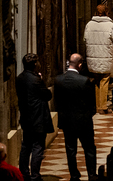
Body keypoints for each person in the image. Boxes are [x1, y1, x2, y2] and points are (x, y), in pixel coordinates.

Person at [54, 54, 98, 179]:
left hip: (67, 121)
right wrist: (88, 114)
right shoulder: (84, 81)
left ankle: (74, 175)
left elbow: (57, 102)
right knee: (89, 149)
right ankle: (91, 174)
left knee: (70, 149)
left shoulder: (58, 80)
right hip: (83, 121)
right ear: (80, 64)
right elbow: (92, 104)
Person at [15, 53, 53, 181]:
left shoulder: (19, 78)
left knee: (26, 146)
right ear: (35, 64)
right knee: (38, 147)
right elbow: (47, 95)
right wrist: (41, 80)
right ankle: (35, 175)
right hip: (38, 118)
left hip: (26, 117)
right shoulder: (36, 80)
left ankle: (24, 173)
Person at [84, 4, 113, 113]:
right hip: (105, 56)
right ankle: (103, 106)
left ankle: (97, 105)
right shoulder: (110, 25)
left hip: (92, 56)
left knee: (97, 81)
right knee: (104, 80)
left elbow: (85, 39)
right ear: (106, 12)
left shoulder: (89, 24)